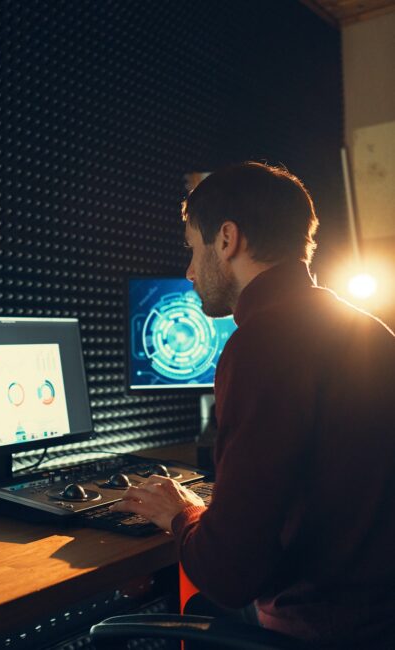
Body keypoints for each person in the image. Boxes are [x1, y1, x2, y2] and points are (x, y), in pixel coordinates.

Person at [112, 162, 395, 648]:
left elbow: (229, 573)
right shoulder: (369, 329)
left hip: (324, 625)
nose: (189, 271)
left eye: (192, 248)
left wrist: (183, 513)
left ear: (226, 239)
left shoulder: (263, 343)